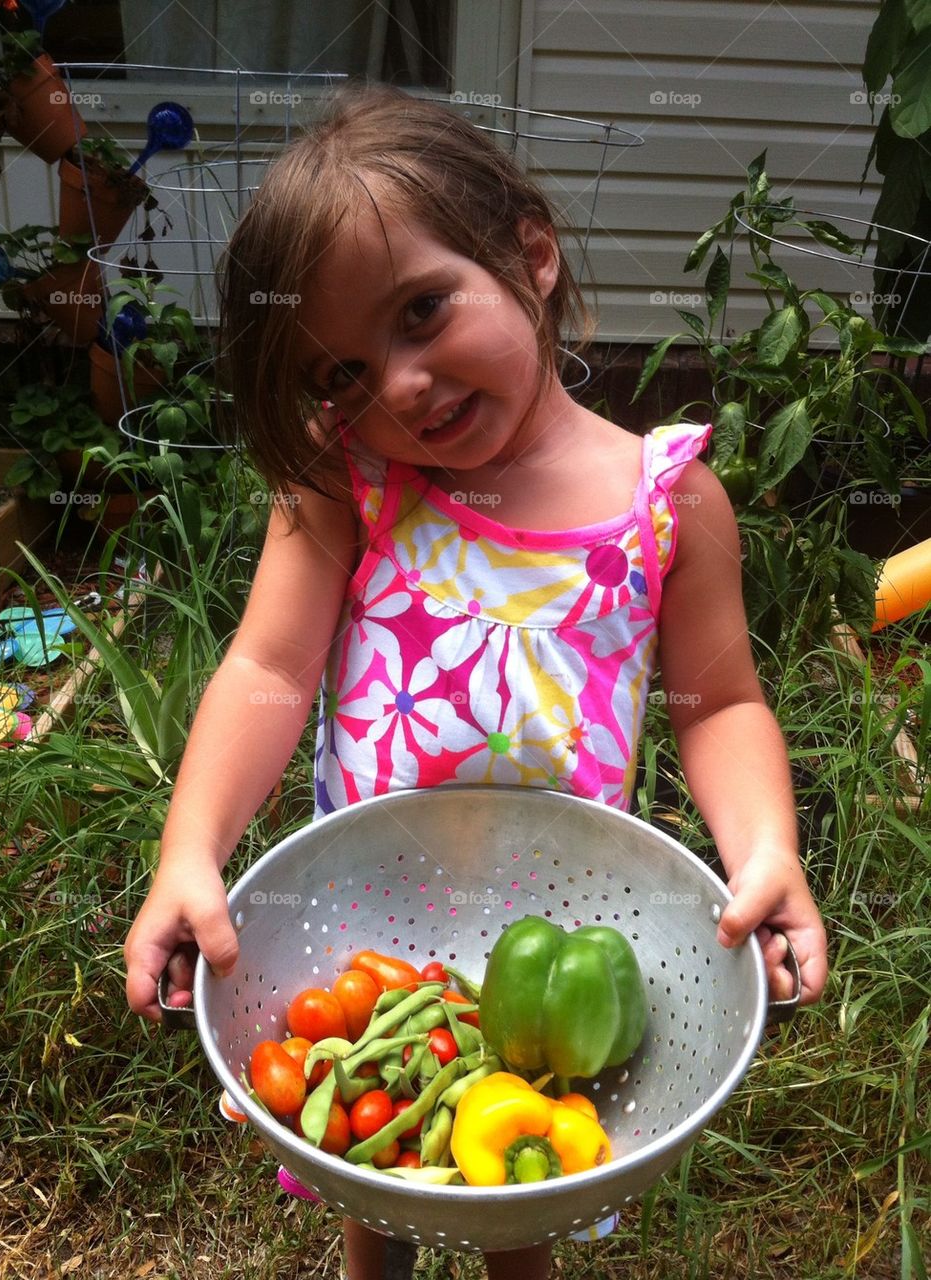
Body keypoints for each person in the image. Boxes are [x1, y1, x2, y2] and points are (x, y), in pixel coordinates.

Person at [124, 84, 828, 1280]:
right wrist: (189, 850)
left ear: (531, 256)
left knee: (528, 1168)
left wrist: (765, 850)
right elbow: (266, 667)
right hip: (374, 925)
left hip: (566, 932)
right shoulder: (351, 490)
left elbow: (722, 704)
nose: (399, 385)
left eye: (422, 311)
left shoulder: (669, 502)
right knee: (381, 1158)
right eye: (342, 370)